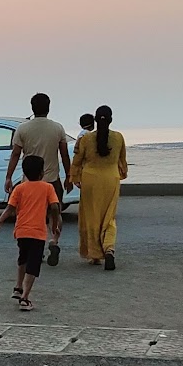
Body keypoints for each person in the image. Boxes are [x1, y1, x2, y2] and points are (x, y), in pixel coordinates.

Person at [4, 93, 73, 266]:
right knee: (54, 213)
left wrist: (8, 177)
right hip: (51, 180)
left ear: (32, 108)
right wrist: (69, 176)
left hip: (29, 182)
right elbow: (64, 154)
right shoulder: (57, 128)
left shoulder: (23, 129)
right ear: (48, 108)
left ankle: (36, 249)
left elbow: (15, 154)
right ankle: (54, 241)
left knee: (32, 216)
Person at [0, 154, 60, 312]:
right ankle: (25, 298)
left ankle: (18, 287)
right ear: (42, 172)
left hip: (21, 231)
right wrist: (54, 224)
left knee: (22, 259)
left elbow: (10, 208)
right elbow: (55, 207)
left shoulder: (19, 188)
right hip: (37, 232)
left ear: (24, 172)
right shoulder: (47, 188)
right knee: (33, 265)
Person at [71, 105, 127, 270]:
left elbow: (77, 161)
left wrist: (75, 178)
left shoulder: (86, 139)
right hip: (110, 180)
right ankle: (109, 248)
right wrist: (120, 175)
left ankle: (94, 255)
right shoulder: (118, 138)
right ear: (111, 120)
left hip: (90, 180)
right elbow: (122, 162)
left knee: (91, 217)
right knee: (109, 218)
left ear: (95, 120)